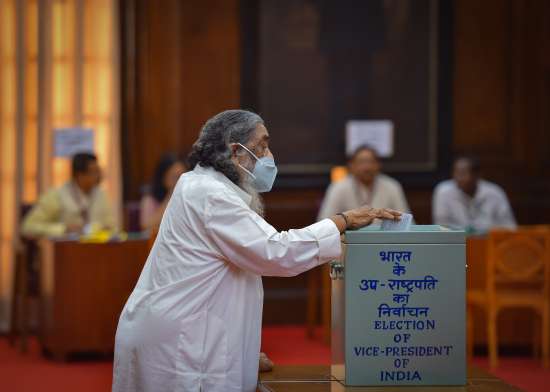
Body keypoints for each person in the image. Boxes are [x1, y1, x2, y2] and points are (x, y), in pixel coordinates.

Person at [112, 110, 402, 392]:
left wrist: (243, 355)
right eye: (262, 144)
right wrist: (344, 220)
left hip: (187, 333)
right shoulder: (211, 194)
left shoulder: (203, 184)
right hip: (180, 342)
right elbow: (275, 252)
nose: (269, 154)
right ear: (236, 152)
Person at [21, 152, 115, 237]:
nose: (99, 176)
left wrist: (105, 230)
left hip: (97, 249)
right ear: (79, 175)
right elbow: (28, 227)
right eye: (93, 172)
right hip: (66, 251)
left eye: (98, 171)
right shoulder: (56, 195)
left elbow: (111, 227)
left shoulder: (101, 195)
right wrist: (64, 229)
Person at [318, 145, 410, 220]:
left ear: (379, 165)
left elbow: (405, 220)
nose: (367, 167)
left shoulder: (392, 186)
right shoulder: (338, 187)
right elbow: (325, 222)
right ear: (351, 165)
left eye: (371, 162)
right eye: (361, 162)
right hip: (348, 240)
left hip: (383, 239)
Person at [432, 155, 516, 232]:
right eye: (456, 173)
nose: (458, 178)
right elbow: (441, 227)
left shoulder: (494, 193)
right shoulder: (443, 192)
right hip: (456, 244)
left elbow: (509, 227)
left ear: (477, 175)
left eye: (463, 174)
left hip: (489, 243)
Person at [140, 154, 187, 231]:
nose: (178, 181)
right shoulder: (150, 199)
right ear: (163, 176)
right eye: (174, 176)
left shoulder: (187, 198)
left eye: (181, 176)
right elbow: (146, 226)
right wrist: (170, 195)